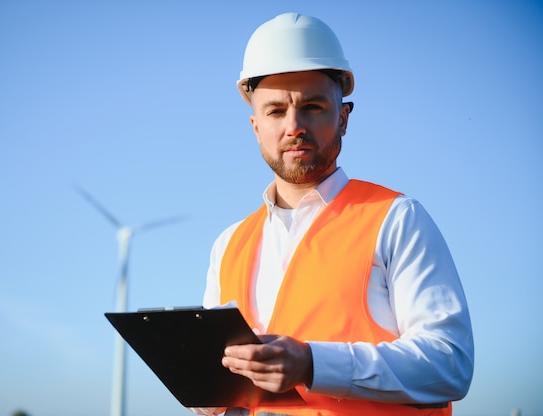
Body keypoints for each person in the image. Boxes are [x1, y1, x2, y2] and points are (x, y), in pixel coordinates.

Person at [194, 12, 474, 416]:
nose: (294, 126)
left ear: (343, 117)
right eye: (275, 111)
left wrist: (312, 364)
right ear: (256, 127)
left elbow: (450, 365)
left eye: (312, 106)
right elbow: (215, 400)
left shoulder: (396, 219)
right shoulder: (228, 245)